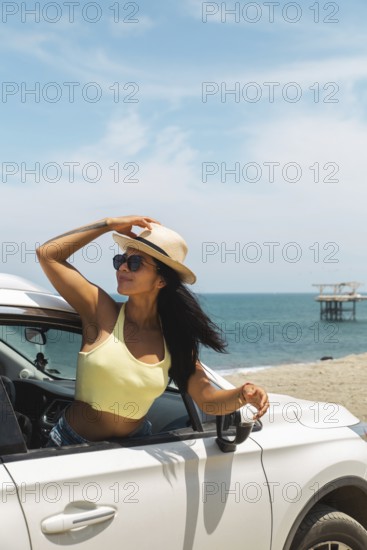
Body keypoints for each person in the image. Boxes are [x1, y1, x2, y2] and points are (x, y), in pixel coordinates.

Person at [36, 216, 269, 447]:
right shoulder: (102, 312)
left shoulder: (174, 340)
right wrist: (108, 225)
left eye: (135, 263)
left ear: (161, 280)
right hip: (72, 445)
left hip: (136, 447)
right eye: (120, 261)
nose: (123, 267)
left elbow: (208, 400)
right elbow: (48, 255)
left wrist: (243, 395)